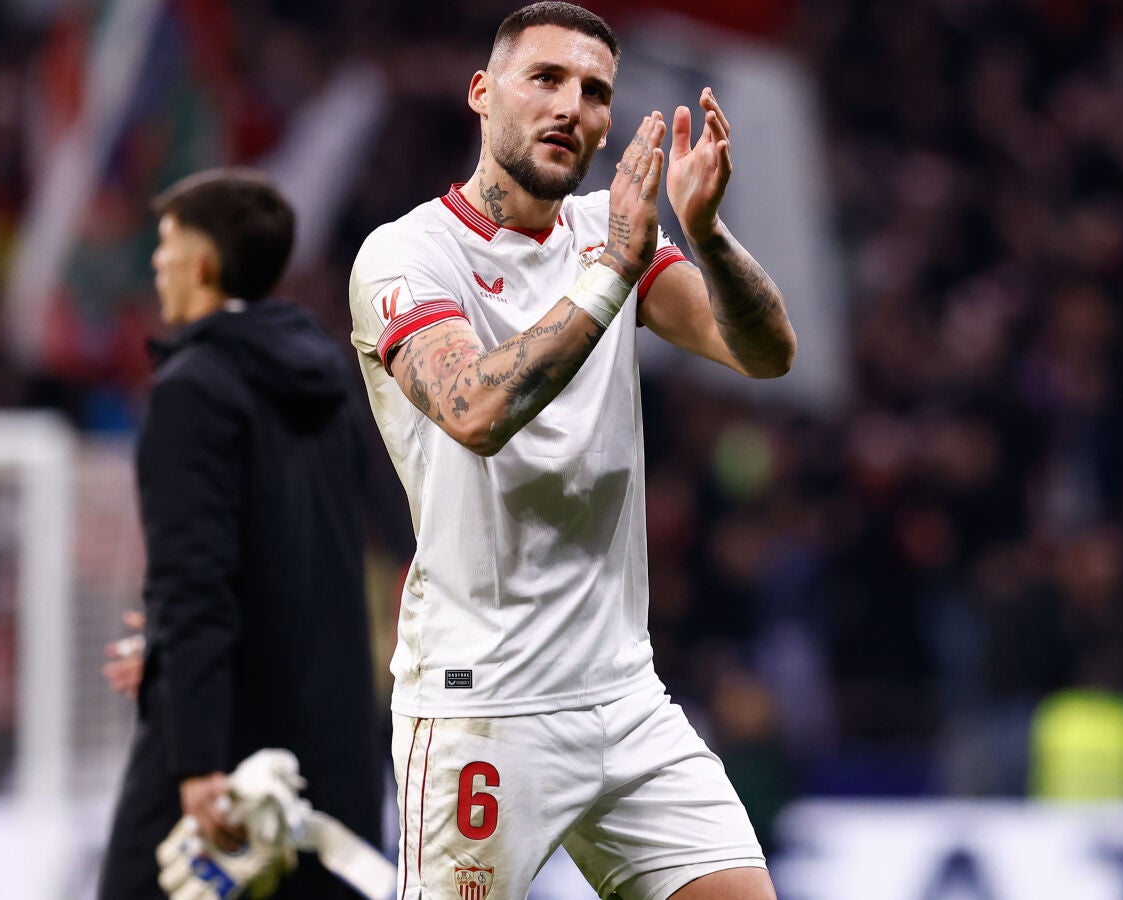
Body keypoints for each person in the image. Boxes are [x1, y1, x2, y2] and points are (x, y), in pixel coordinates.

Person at [346, 3, 796, 898]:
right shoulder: (406, 255)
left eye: (594, 91)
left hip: (624, 695)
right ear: (483, 93)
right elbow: (475, 409)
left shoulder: (611, 232)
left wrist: (705, 235)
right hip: (483, 706)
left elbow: (764, 352)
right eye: (545, 79)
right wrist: (613, 272)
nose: (570, 107)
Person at [100, 169, 384, 899]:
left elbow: (196, 584)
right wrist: (166, 651)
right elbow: (298, 567)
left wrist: (196, 761)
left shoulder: (191, 390)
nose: (156, 261)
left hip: (231, 770)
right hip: (331, 757)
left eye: (166, 244)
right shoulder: (332, 387)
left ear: (201, 263)